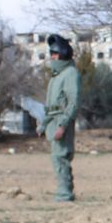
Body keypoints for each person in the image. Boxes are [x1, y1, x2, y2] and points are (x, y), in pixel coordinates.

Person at [42, 34, 82, 202]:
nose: (52, 57)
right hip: (53, 120)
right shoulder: (56, 76)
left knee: (61, 156)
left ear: (63, 54)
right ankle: (64, 191)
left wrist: (63, 125)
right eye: (51, 53)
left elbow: (73, 103)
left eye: (55, 53)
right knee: (57, 156)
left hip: (61, 121)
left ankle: (64, 193)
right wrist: (43, 124)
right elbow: (50, 106)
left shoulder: (71, 74)